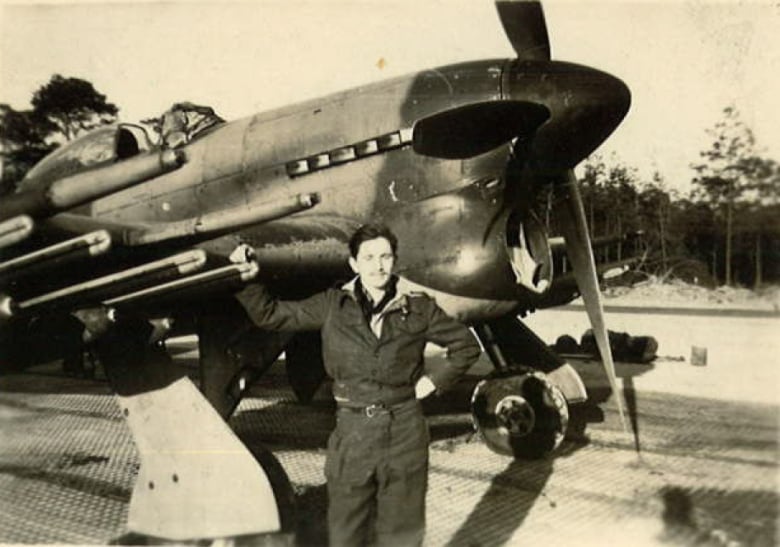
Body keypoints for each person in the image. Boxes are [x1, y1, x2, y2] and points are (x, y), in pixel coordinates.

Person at [231, 223, 481, 547]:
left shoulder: (419, 308)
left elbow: (465, 346)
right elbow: (272, 316)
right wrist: (248, 280)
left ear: (395, 261)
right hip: (353, 429)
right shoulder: (332, 305)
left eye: (385, 257)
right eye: (369, 257)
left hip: (404, 428)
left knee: (402, 533)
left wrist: (431, 384)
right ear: (354, 263)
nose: (378, 266)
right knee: (346, 530)